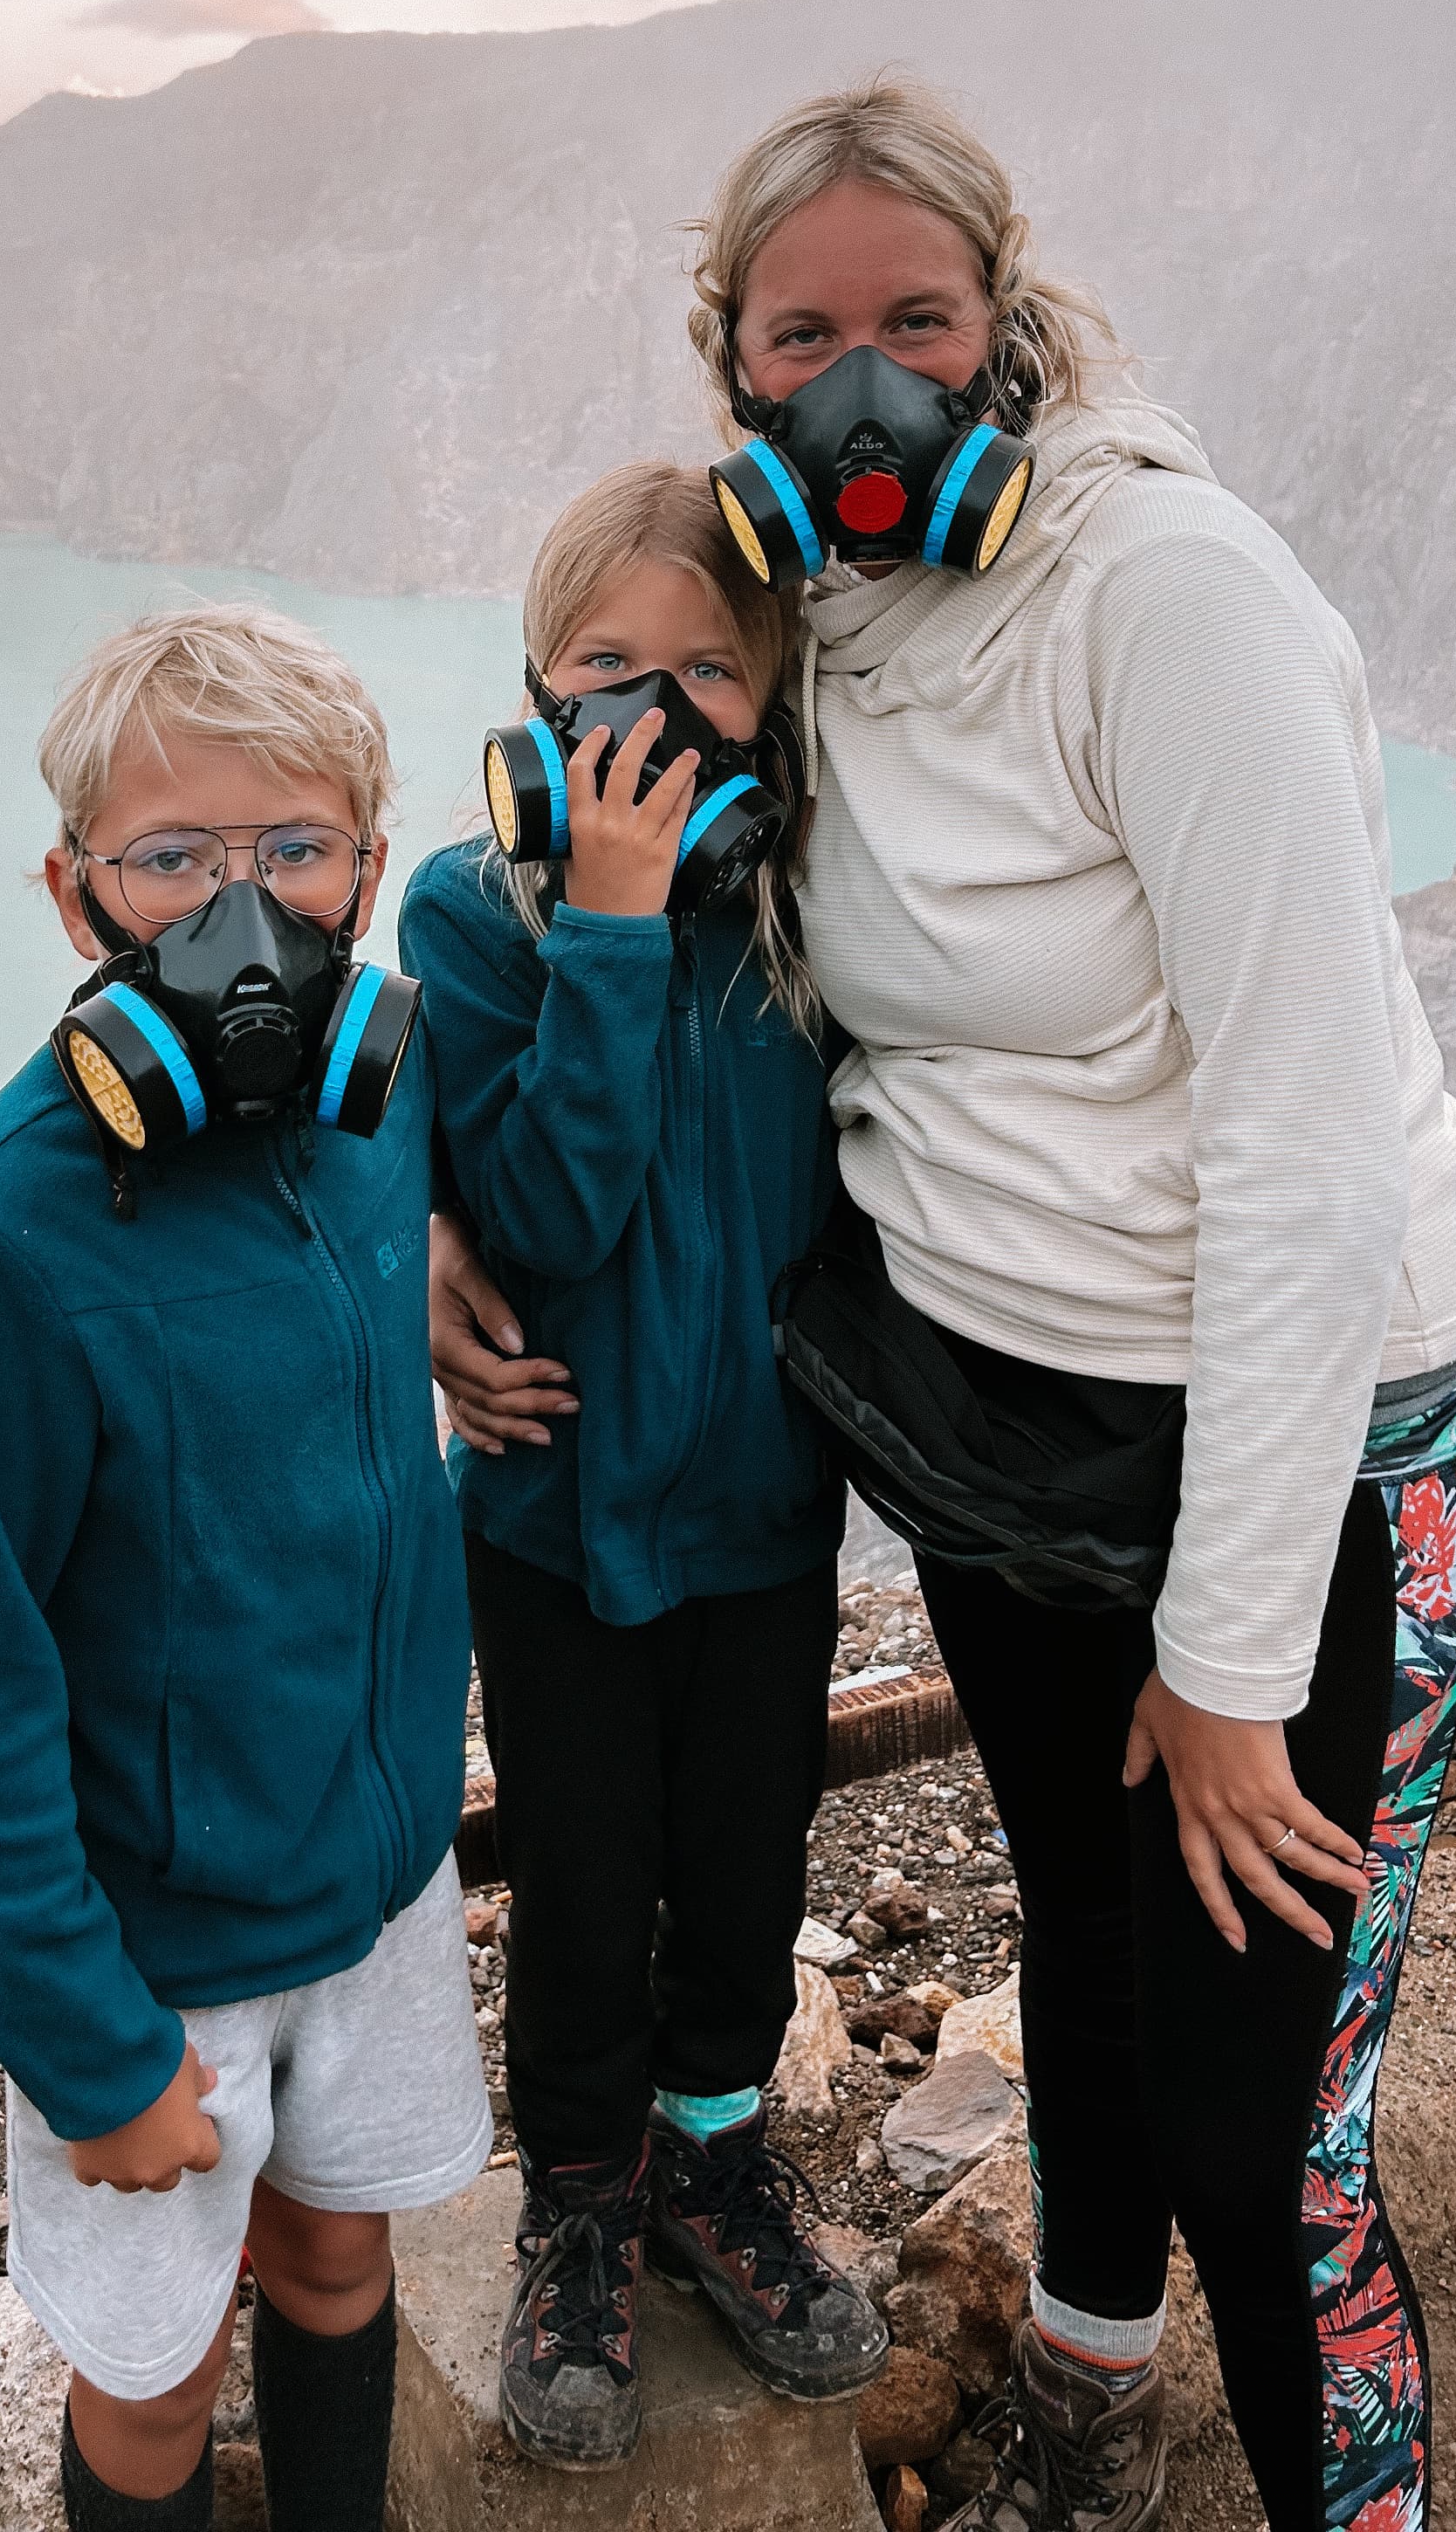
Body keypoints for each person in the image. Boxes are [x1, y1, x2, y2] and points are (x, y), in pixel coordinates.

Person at [432, 80, 1456, 2532]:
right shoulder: (821, 622)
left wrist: (1228, 1660)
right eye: (800, 333)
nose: (865, 379)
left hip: (1296, 1466)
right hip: (1005, 1455)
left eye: (917, 318)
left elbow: (1309, 1142)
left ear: (1006, 323)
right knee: (1094, 1992)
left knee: (1268, 2141)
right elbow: (608, 933)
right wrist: (414, 1215)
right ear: (734, 373)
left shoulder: (1173, 597)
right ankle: (1086, 2438)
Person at [0, 603, 488, 2532]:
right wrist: (94, 2053)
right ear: (78, 900)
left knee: (339, 2270)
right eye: (174, 861)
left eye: (296, 849)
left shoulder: (384, 1127)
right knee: (149, 2376)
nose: (248, 909)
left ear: (371, 868)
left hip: (375, 1897)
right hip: (155, 1963)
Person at [400, 462, 886, 2463]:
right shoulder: (476, 908)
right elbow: (546, 1218)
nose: (660, 711)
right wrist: (608, 932)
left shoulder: (811, 907)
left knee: (747, 1871)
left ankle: (714, 2161)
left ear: (776, 704)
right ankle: (581, 2201)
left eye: (711, 668)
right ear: (534, 689)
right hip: (554, 1522)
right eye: (610, 665)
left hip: (770, 1517)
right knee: (588, 1888)